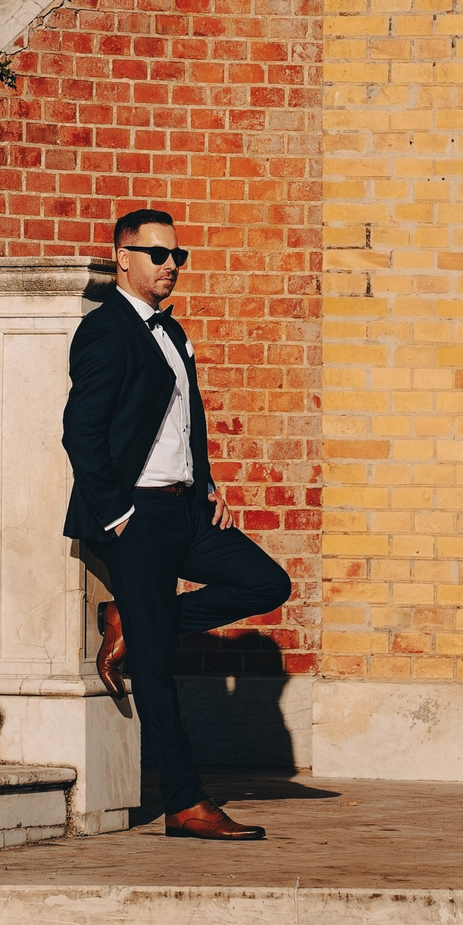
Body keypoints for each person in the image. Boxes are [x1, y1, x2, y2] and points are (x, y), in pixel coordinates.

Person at [62, 208, 292, 841]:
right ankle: (185, 803)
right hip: (137, 516)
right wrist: (117, 515)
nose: (170, 265)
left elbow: (186, 419)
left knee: (266, 583)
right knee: (157, 666)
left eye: (177, 256)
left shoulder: (173, 330)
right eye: (157, 255)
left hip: (186, 508)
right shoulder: (106, 331)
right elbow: (80, 433)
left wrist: (208, 482)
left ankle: (128, 622)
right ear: (123, 259)